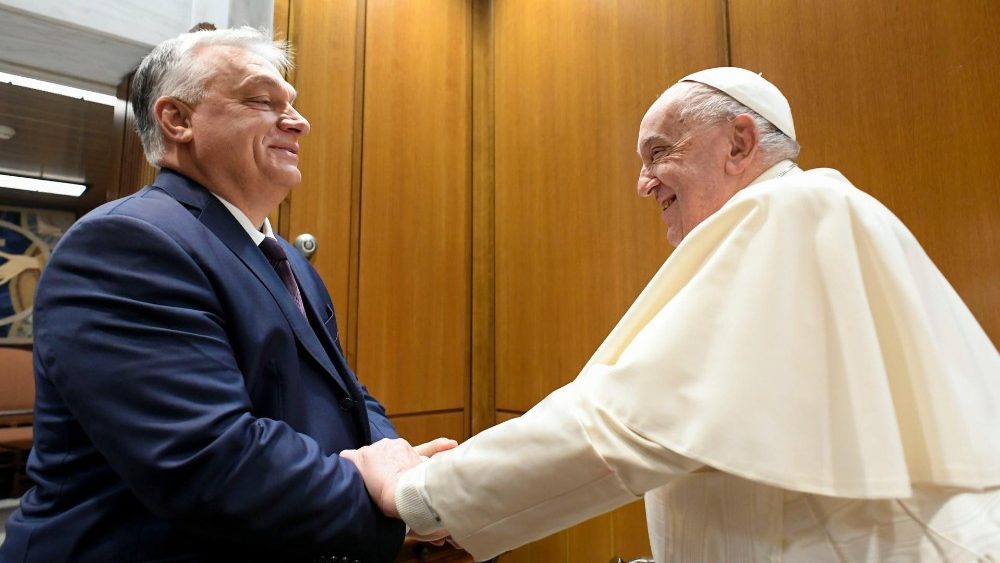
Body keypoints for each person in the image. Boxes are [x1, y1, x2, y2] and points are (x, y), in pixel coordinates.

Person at [343, 67, 1000, 561]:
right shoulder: (820, 212)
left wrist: (416, 493)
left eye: (661, 151)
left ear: (739, 143)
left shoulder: (785, 214)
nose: (644, 182)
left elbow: (623, 422)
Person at [0, 27, 453, 562]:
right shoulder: (125, 242)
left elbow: (346, 393)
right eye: (264, 100)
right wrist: (397, 505)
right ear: (178, 119)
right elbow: (204, 458)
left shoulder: (287, 259)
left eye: (294, 105)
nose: (299, 121)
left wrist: (394, 464)